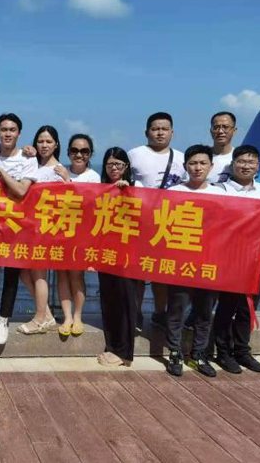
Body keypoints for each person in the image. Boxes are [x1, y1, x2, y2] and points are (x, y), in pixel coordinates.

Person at [212, 145, 260, 373]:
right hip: (230, 259)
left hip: (257, 260)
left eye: (251, 162)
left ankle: (242, 351)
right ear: (232, 165)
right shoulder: (220, 190)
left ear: (258, 166)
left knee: (247, 308)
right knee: (226, 306)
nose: (246, 166)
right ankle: (223, 352)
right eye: (241, 161)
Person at [0, 113, 38, 347]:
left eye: (12, 130)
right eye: (3, 129)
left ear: (19, 133)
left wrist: (2, 174)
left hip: (17, 226)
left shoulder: (28, 159)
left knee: (12, 274)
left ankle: (4, 318)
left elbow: (22, 191)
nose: (7, 133)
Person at [165, 144, 222, 378]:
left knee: (205, 311)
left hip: (209, 262)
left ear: (211, 166)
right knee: (176, 310)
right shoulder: (174, 192)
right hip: (181, 262)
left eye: (202, 163)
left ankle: (198, 354)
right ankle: (175, 352)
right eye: (193, 163)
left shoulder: (221, 194)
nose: (198, 168)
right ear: (185, 166)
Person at [128, 112, 187, 330]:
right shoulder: (134, 155)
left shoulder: (181, 158)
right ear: (147, 132)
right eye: (155, 129)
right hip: (139, 222)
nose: (160, 133)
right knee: (136, 271)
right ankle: (135, 312)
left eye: (164, 129)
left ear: (172, 132)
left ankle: (160, 312)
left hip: (168, 224)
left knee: (162, 271)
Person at [17, 126, 67, 334]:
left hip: (46, 228)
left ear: (56, 144)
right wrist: (24, 150)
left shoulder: (59, 170)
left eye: (48, 141)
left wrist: (67, 180)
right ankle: (46, 313)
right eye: (40, 141)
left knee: (39, 273)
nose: (44, 145)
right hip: (28, 227)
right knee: (23, 272)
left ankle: (39, 319)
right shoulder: (32, 164)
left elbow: (70, 201)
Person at [96, 147, 142, 367]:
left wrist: (128, 192)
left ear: (126, 167)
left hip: (127, 256)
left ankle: (125, 353)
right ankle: (112, 346)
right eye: (110, 164)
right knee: (109, 300)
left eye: (119, 164)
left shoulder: (136, 188)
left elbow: (145, 214)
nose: (114, 168)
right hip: (104, 254)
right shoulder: (100, 188)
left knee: (126, 301)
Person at [56, 134, 100, 338]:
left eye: (84, 151)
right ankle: (67, 317)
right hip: (59, 231)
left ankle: (78, 316)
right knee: (61, 275)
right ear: (68, 152)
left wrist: (68, 181)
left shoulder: (93, 176)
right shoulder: (59, 170)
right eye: (74, 150)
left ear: (90, 154)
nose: (79, 155)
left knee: (76, 275)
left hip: (81, 234)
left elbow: (89, 203)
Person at [208, 111, 237, 183]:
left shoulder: (239, 158)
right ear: (211, 131)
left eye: (225, 127)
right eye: (216, 127)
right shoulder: (200, 158)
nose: (220, 131)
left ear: (234, 131)